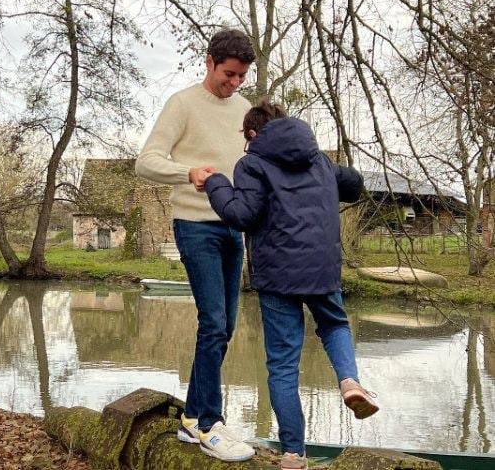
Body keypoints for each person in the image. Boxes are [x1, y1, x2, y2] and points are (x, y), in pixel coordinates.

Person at [203, 99, 378, 470]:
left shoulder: (251, 163)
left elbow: (241, 215)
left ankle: (293, 454)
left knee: (283, 364)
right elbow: (355, 186)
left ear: (252, 133)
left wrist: (216, 182)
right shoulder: (318, 159)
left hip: (277, 275)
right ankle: (350, 382)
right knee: (334, 325)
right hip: (322, 269)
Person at [135, 28, 256, 463]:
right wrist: (188, 173)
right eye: (228, 74)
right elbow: (146, 161)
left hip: (233, 229)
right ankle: (209, 425)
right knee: (213, 322)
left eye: (241, 76)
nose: (234, 83)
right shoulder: (182, 104)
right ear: (209, 62)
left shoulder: (244, 109)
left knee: (225, 328)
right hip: (195, 226)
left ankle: (191, 416)